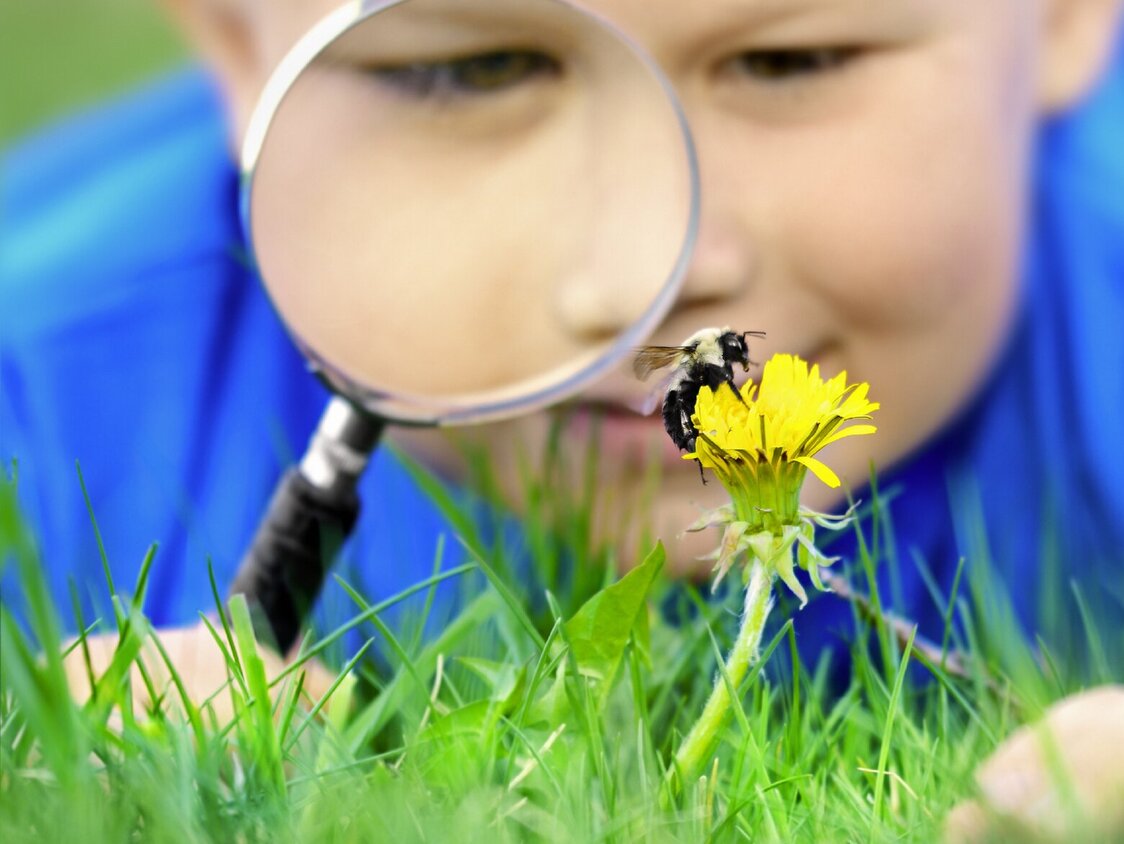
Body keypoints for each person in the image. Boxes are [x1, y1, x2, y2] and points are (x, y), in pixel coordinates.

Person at [3, 0, 1122, 703]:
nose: (636, 286)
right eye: (474, 70)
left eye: (792, 60)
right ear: (235, 40)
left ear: (1068, 17)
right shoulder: (37, 405)